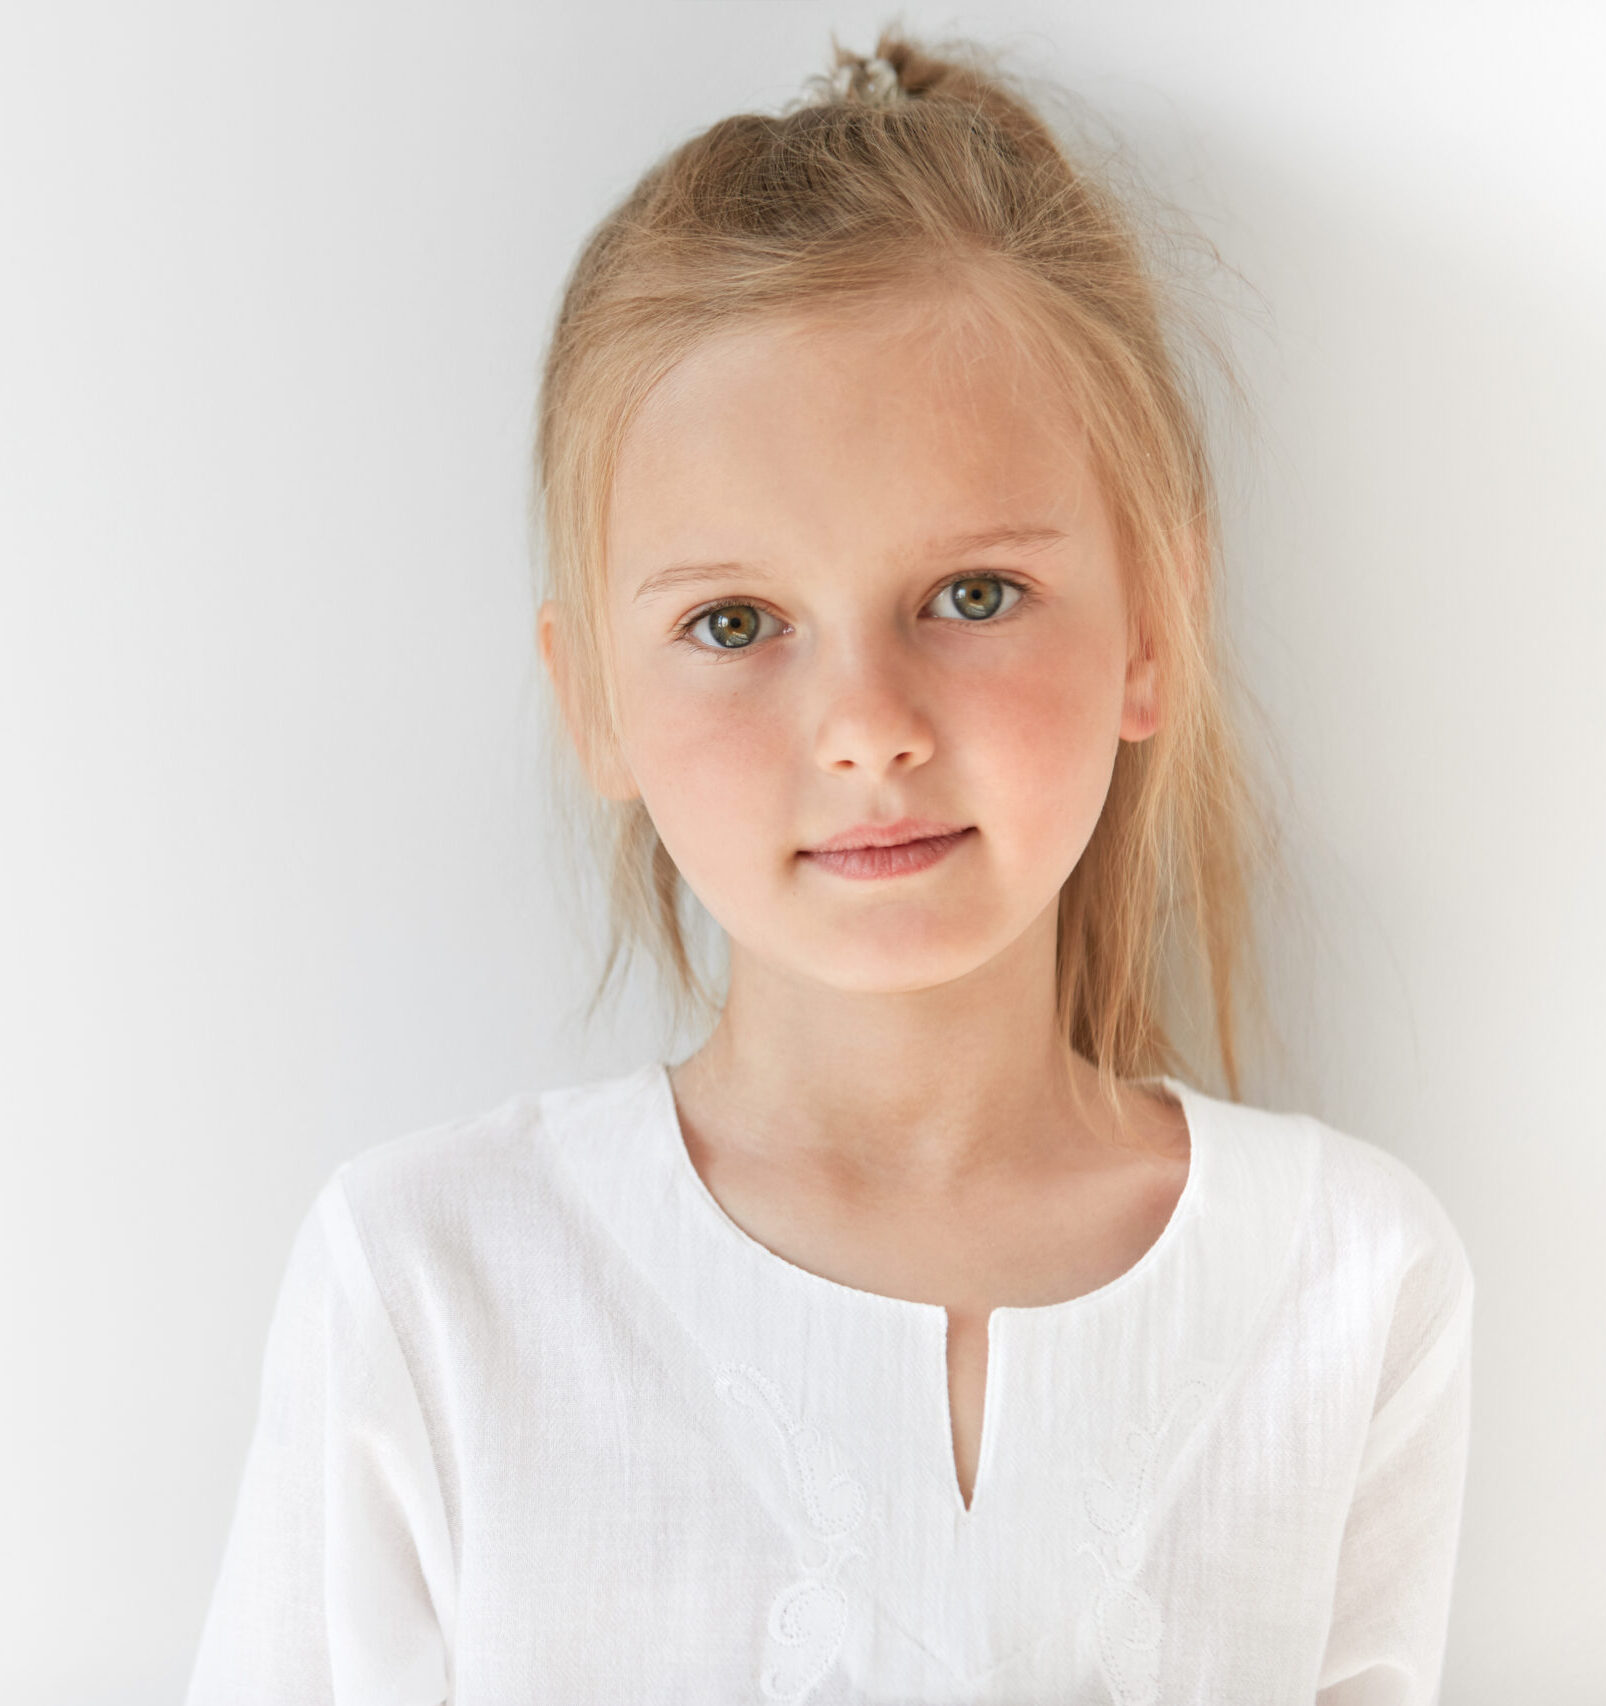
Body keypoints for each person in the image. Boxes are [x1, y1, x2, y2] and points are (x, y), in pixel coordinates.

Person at [186, 30, 1473, 1705]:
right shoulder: (431, 1278)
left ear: (1155, 615)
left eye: (971, 594)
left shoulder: (1349, 1280)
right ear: (594, 703)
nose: (865, 727)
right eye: (734, 623)